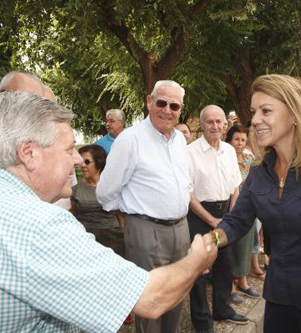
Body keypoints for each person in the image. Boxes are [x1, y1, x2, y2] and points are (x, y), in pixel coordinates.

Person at [0, 91, 217, 332]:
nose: (77, 158)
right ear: (28, 153)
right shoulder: (38, 227)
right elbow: (152, 298)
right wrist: (197, 259)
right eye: (69, 148)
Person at [209, 74, 301, 332]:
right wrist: (209, 242)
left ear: (294, 114)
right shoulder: (259, 171)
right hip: (278, 299)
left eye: (266, 111)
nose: (255, 120)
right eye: (255, 111)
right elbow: (237, 220)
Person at [96, 80, 190, 333]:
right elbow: (105, 192)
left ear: (181, 109)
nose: (167, 110)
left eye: (174, 105)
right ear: (149, 102)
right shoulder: (130, 140)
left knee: (176, 296)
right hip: (147, 232)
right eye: (161, 103)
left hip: (181, 229)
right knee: (150, 303)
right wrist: (131, 216)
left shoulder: (180, 140)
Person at [187, 105, 249, 331]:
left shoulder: (230, 151)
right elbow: (188, 194)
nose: (215, 126)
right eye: (209, 121)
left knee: (225, 264)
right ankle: (202, 320)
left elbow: (235, 185)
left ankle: (222, 309)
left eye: (219, 121)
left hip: (226, 213)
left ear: (225, 125)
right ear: (201, 125)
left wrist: (230, 215)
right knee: (200, 270)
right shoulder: (189, 152)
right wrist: (212, 221)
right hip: (199, 214)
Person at [225, 124, 260, 304]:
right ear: (229, 140)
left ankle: (243, 282)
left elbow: (254, 182)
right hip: (230, 207)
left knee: (246, 246)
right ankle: (230, 286)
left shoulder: (249, 158)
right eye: (236, 139)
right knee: (231, 246)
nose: (239, 143)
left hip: (248, 207)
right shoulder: (224, 156)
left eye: (243, 140)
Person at [71, 144, 124, 256]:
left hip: (113, 238)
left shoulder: (112, 188)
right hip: (85, 241)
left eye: (87, 162)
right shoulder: (75, 189)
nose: (83, 166)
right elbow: (72, 216)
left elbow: (121, 216)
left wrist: (127, 238)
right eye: (81, 162)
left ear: (99, 163)